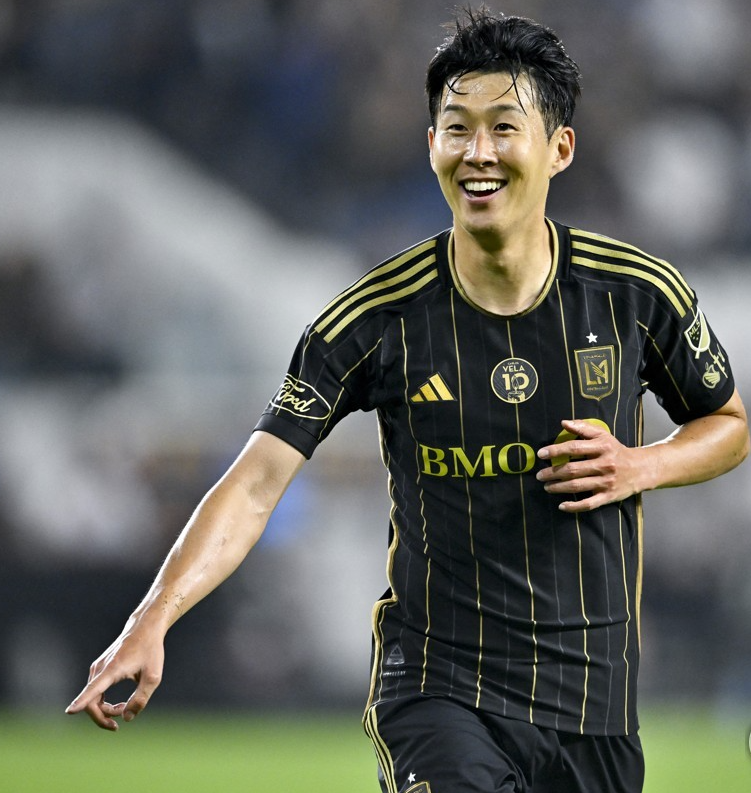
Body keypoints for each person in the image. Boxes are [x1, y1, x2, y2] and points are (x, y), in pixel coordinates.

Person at [66, 9, 749, 793]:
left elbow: (727, 425)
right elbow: (256, 481)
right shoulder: (372, 317)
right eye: (456, 129)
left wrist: (641, 464)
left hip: (593, 706)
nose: (477, 152)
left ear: (558, 148)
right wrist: (152, 615)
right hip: (438, 688)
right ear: (431, 146)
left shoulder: (635, 293)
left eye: (503, 127)